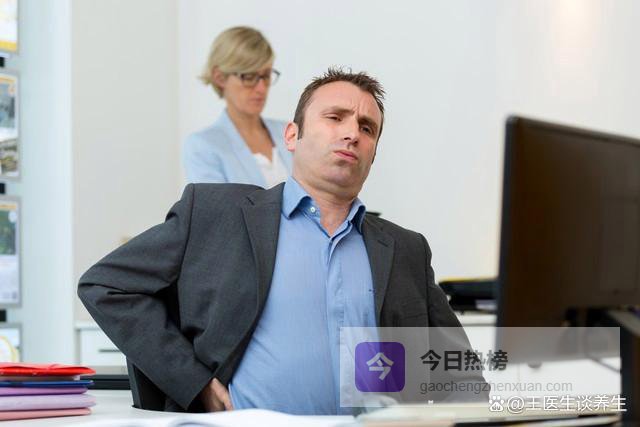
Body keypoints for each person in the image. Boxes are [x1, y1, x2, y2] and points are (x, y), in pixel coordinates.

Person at [78, 68, 484, 415]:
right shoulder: (215, 214)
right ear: (292, 136)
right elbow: (106, 286)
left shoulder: (406, 250)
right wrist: (194, 382)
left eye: (367, 128)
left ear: (373, 154)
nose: (352, 134)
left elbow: (463, 377)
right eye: (335, 118)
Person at [183, 26, 291, 187]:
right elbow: (218, 204)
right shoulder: (203, 147)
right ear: (220, 77)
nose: (261, 88)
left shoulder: (289, 132)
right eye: (249, 77)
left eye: (266, 75)